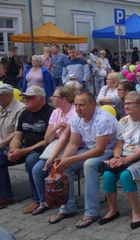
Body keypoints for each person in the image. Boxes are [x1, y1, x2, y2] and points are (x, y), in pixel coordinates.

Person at [47, 92, 117, 228]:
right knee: (63, 165)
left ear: (93, 104)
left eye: (82, 105)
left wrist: (71, 159)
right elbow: (73, 144)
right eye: (76, 105)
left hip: (111, 150)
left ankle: (92, 212)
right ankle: (67, 208)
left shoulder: (103, 118)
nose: (78, 108)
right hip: (90, 149)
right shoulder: (76, 117)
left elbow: (99, 150)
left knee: (89, 165)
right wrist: (64, 160)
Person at [100, 92, 140, 229]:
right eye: (125, 103)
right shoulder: (123, 121)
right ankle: (113, 210)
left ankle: (136, 212)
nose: (126, 106)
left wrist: (125, 160)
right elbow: (119, 144)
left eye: (129, 103)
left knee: (126, 176)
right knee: (108, 175)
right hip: (125, 157)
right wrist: (117, 157)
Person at [0, 86, 54, 214]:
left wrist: (23, 151)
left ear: (41, 99)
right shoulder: (25, 113)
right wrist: (13, 150)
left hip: (43, 149)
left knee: (31, 160)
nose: (26, 100)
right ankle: (5, 195)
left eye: (30, 97)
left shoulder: (49, 112)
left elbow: (47, 140)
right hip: (25, 148)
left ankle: (37, 199)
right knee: (2, 157)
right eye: (25, 97)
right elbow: (18, 135)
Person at [31, 86, 76, 215]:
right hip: (55, 145)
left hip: (70, 145)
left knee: (55, 168)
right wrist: (55, 127)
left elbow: (67, 138)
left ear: (64, 99)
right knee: (37, 170)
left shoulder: (74, 112)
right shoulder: (55, 112)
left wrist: (52, 157)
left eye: (55, 96)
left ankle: (61, 200)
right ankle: (44, 201)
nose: (52, 98)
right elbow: (48, 138)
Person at [0, 84, 25, 208]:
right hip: (2, 142)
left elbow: (18, 131)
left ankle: (5, 196)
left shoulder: (20, 109)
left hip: (16, 145)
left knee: (0, 157)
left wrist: (3, 142)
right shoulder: (1, 107)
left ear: (7, 96)